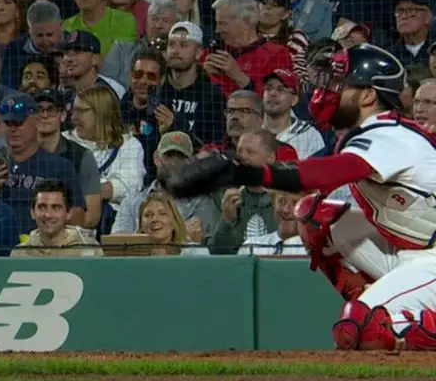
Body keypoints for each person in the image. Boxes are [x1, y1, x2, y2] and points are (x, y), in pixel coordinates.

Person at [166, 43, 436, 350]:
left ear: (368, 95)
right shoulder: (374, 132)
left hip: (430, 257)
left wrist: (247, 172)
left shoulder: (390, 134)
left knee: (356, 328)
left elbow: (328, 173)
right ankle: (387, 306)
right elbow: (313, 188)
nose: (329, 91)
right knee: (315, 215)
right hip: (412, 250)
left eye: (340, 84)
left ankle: (382, 318)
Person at [11, 179, 101, 258]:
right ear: (32, 212)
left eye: (56, 207)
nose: (48, 215)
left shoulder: (90, 251)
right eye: (42, 207)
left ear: (69, 213)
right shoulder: (19, 254)